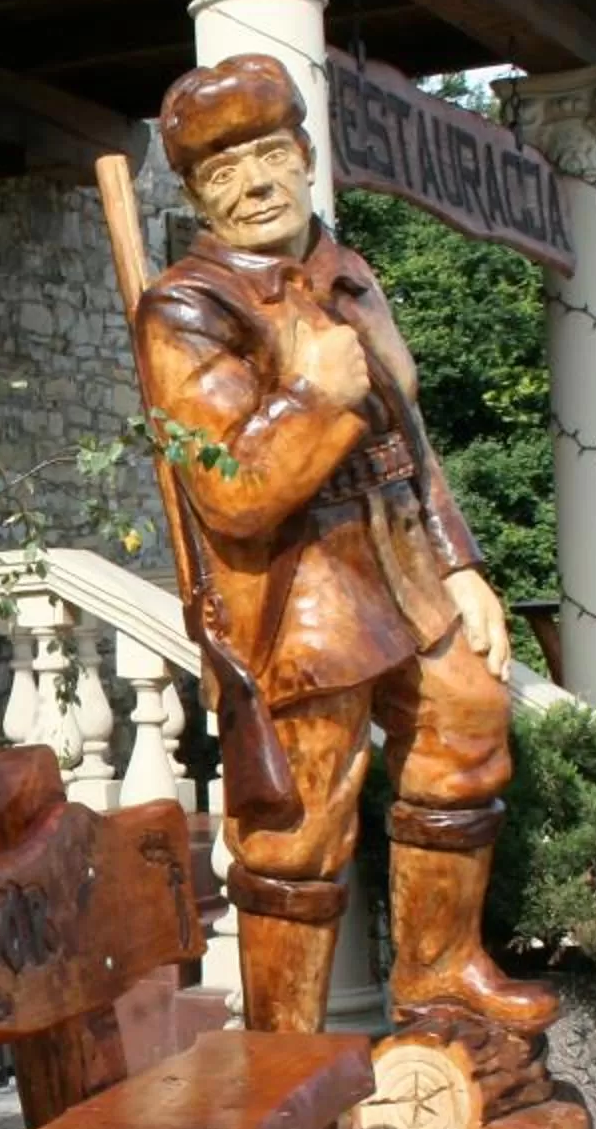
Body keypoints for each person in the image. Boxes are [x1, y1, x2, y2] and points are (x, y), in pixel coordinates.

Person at [130, 53, 555, 1040]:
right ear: (196, 193)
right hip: (300, 596)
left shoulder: (349, 272)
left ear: (305, 155)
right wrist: (313, 391)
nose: (255, 185)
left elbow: (408, 433)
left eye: (270, 155)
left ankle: (443, 980)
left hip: (401, 564)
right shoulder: (190, 308)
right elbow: (231, 491)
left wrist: (460, 559)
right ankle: (285, 1056)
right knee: (298, 825)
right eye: (224, 173)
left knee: (467, 728)